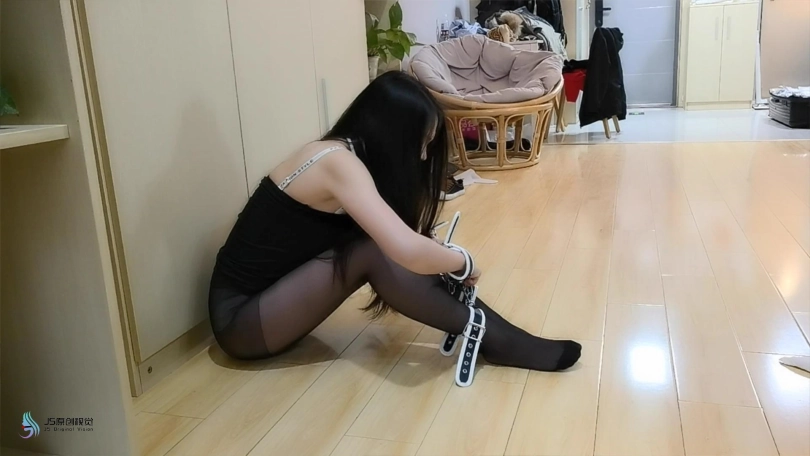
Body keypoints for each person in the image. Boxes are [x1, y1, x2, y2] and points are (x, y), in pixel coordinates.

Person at [208, 71, 581, 375]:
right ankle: (502, 341)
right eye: (422, 143)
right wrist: (462, 262)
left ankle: (499, 337)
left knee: (379, 247)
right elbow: (403, 249)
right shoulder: (337, 163)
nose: (423, 156)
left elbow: (405, 242)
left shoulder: (344, 156)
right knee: (371, 250)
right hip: (242, 322)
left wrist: (436, 254)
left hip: (269, 306)